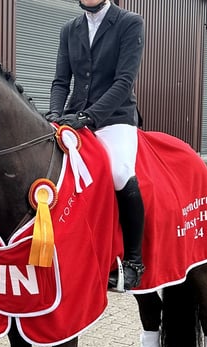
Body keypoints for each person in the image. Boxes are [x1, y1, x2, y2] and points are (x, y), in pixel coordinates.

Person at [46, 0, 146, 291]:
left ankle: (133, 262)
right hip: (74, 117)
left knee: (119, 172)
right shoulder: (69, 29)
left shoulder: (130, 23)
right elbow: (60, 81)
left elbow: (124, 81)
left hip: (114, 118)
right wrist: (54, 113)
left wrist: (90, 116)